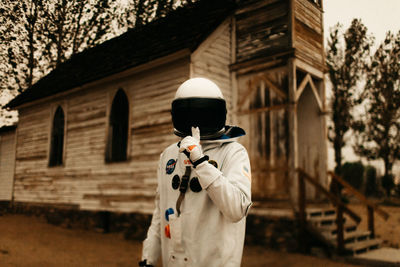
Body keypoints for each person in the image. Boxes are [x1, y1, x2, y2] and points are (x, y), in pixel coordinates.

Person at [139, 77, 252, 267]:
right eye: (188, 114)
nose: (195, 122)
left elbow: (237, 209)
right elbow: (160, 212)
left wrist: (201, 163)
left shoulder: (233, 152)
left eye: (203, 113)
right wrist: (148, 258)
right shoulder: (169, 155)